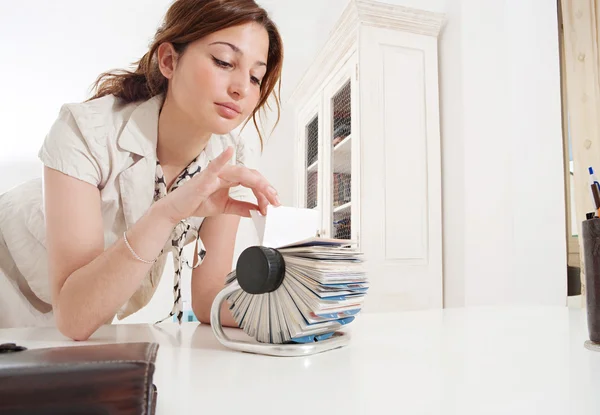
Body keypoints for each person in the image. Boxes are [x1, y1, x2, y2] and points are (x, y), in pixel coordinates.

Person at [0, 0, 284, 341]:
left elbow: (209, 295)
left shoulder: (230, 157)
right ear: (169, 60)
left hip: (81, 316)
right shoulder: (84, 130)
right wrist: (166, 214)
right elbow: (75, 316)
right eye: (224, 62)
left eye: (255, 77)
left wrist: (287, 312)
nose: (241, 87)